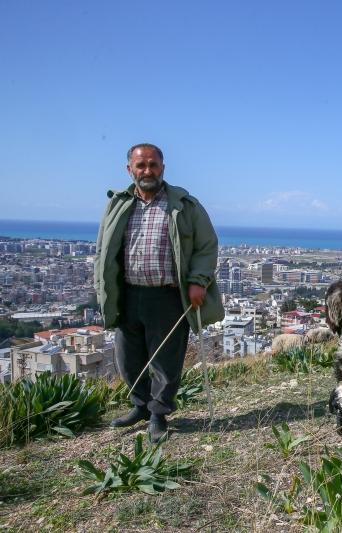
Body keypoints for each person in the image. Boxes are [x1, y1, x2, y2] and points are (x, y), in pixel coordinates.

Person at [94, 143, 224, 442]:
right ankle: (139, 405)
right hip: (128, 293)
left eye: (153, 165)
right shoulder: (118, 205)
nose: (147, 171)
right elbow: (104, 247)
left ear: (163, 168)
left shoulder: (184, 204)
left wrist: (197, 281)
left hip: (167, 295)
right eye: (141, 166)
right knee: (128, 357)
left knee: (166, 359)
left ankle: (158, 413)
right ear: (130, 169)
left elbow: (207, 246)